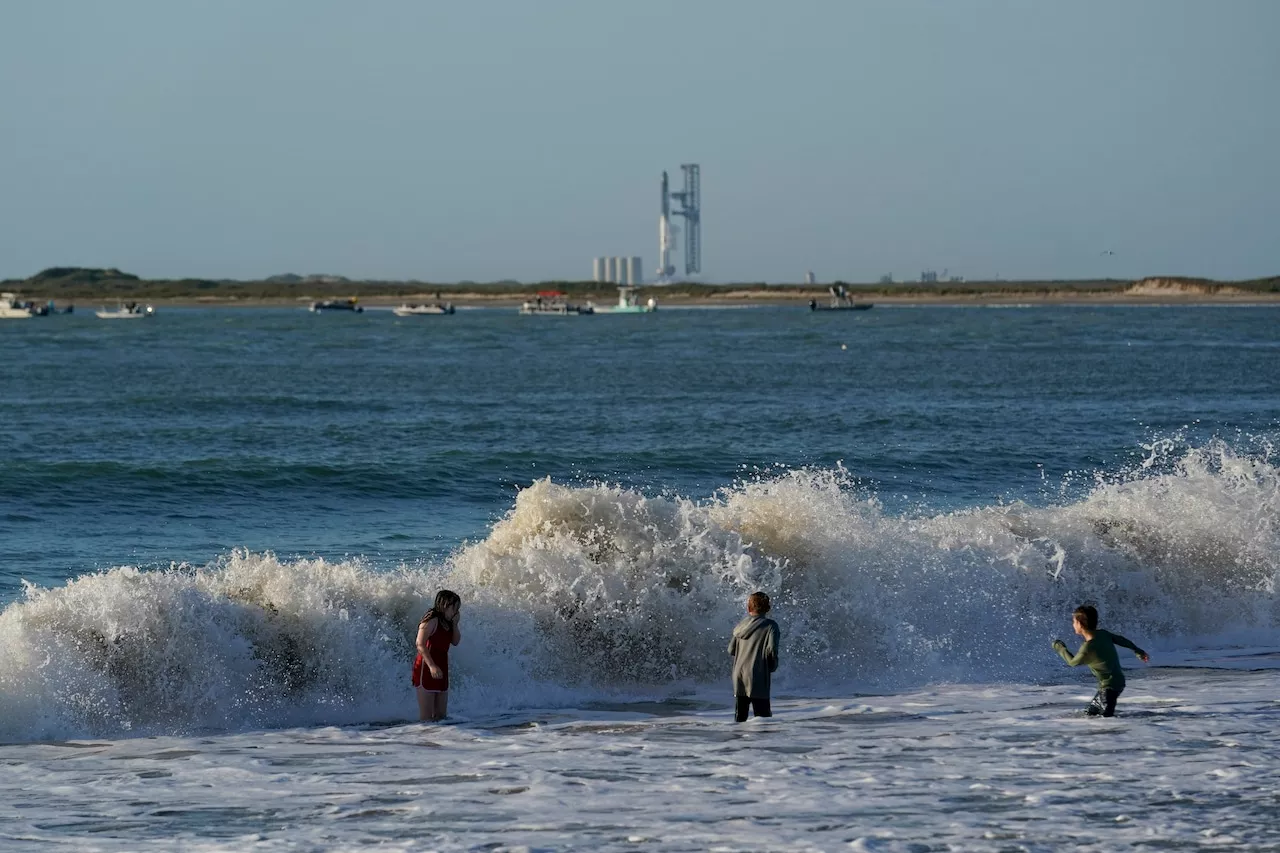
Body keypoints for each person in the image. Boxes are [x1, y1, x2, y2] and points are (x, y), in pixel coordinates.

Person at [1052, 604, 1149, 717]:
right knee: (1090, 714)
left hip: (1109, 688)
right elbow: (1122, 640)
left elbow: (1073, 662)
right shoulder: (1103, 634)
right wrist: (1138, 651)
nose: (1073, 625)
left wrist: (1059, 647)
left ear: (1079, 623)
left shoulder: (1087, 647)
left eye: (1073, 622)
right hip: (1114, 684)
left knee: (1106, 722)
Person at [727, 591, 780, 722]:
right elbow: (771, 650)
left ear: (748, 607)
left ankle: (738, 742)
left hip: (739, 675)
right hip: (758, 675)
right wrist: (772, 666)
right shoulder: (770, 626)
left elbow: (731, 650)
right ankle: (761, 743)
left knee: (740, 719)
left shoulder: (740, 626)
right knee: (763, 719)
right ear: (768, 608)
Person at [412, 590, 462, 722]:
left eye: (458, 608)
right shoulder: (431, 620)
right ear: (444, 605)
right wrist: (432, 666)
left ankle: (439, 741)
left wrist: (455, 625)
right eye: (454, 608)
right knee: (426, 718)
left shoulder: (449, 623)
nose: (456, 612)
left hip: (442, 667)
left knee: (441, 717)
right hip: (426, 667)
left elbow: (455, 642)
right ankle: (423, 742)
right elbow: (420, 644)